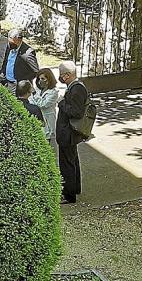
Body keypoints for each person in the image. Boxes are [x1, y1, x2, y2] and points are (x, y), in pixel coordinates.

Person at [56, 61, 88, 204]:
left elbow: (76, 112)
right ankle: (73, 189)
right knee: (71, 160)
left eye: (62, 75)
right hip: (68, 132)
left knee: (67, 163)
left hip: (68, 133)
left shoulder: (76, 89)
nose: (60, 78)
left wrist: (61, 103)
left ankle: (69, 194)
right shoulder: (74, 87)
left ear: (67, 75)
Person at [1, 29, 39, 94]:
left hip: (19, 87)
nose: (10, 45)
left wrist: (22, 81)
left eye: (12, 43)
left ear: (19, 40)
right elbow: (6, 61)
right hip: (7, 83)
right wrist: (3, 74)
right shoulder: (9, 47)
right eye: (9, 42)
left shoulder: (28, 53)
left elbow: (36, 71)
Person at [31, 68, 60, 144]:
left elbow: (43, 104)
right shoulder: (38, 90)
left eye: (43, 78)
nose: (40, 81)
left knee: (46, 143)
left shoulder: (54, 93)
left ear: (49, 79)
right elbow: (31, 101)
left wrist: (34, 96)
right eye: (39, 79)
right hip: (38, 119)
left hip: (48, 121)